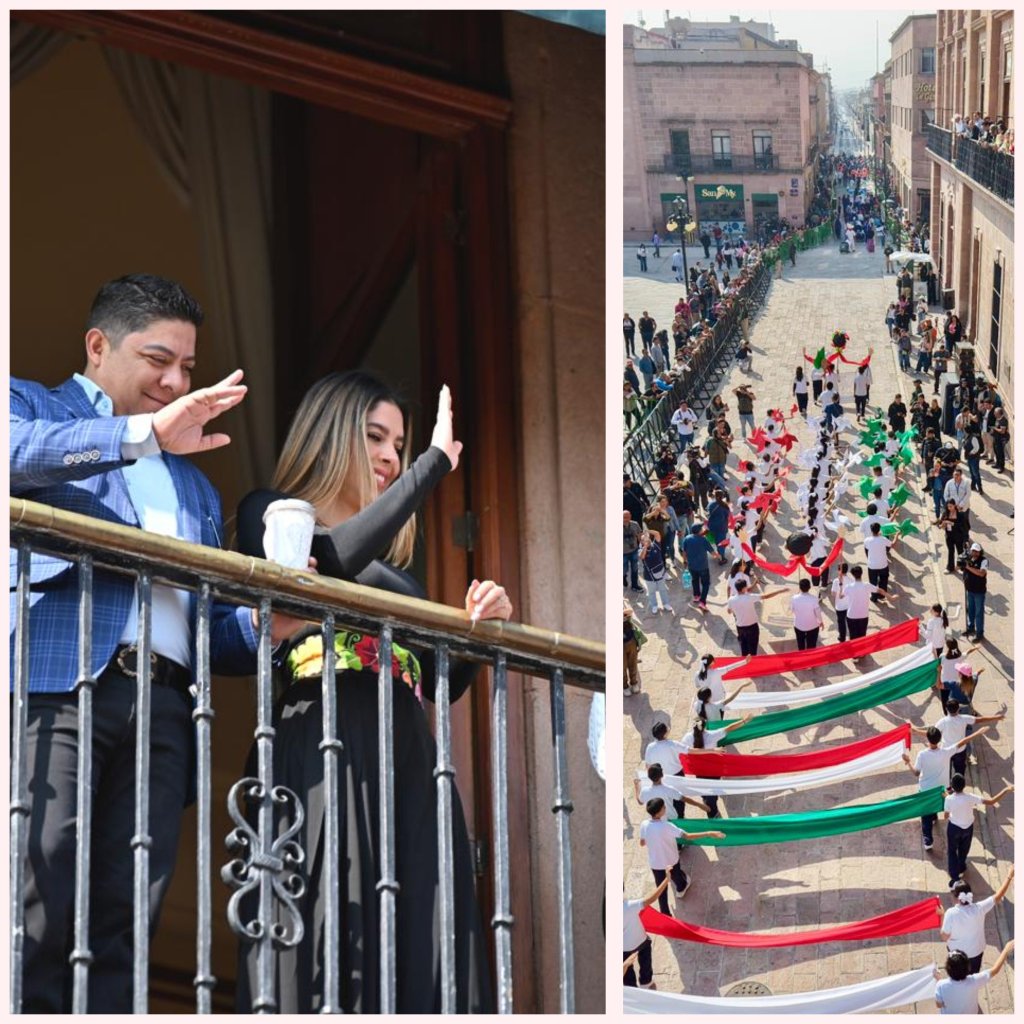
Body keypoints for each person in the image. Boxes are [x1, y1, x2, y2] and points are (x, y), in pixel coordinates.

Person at [9, 274, 298, 1012]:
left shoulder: (194, 488)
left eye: (188, 370)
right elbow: (15, 454)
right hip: (63, 684)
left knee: (130, 907)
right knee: (37, 881)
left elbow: (206, 632)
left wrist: (269, 627)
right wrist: (142, 437)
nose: (175, 383)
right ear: (98, 346)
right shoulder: (34, 406)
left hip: (168, 707)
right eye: (158, 360)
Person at [234, 372, 510, 1013]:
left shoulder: (401, 579)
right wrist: (433, 464)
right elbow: (327, 566)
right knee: (335, 928)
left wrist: (478, 632)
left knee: (425, 942)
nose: (390, 456)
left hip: (409, 757)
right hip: (323, 742)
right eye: (376, 437)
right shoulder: (271, 516)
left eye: (401, 443)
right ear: (331, 437)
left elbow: (441, 684)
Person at [901, 725, 990, 851]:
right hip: (943, 790)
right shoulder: (946, 752)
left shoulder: (922, 755)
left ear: (927, 738)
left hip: (926, 791)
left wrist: (908, 762)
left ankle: (928, 840)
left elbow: (916, 772)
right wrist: (979, 732)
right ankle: (934, 816)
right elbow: (963, 741)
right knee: (939, 807)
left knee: (925, 816)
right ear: (939, 739)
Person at [638, 798, 725, 916]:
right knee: (677, 876)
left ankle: (665, 914)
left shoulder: (644, 824)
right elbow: (687, 836)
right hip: (670, 859)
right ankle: (681, 887)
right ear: (658, 812)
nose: (665, 808)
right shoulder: (667, 826)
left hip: (656, 862)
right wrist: (709, 833)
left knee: (661, 889)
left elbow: (642, 843)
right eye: (664, 807)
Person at [941, 773, 1013, 887]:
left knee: (952, 851)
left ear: (952, 786)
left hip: (954, 828)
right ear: (964, 785)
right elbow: (992, 801)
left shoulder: (949, 799)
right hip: (968, 828)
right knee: (964, 849)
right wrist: (1006, 789)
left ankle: (955, 878)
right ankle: (961, 867)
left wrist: (946, 798)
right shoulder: (971, 797)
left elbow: (945, 816)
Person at [940, 868, 1014, 976]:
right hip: (976, 952)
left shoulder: (950, 914)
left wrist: (942, 915)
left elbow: (944, 936)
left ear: (956, 898)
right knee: (973, 975)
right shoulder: (979, 908)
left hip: (958, 956)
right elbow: (998, 896)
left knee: (958, 976)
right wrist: (1009, 876)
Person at [934, 940, 1015, 1014]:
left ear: (948, 969)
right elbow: (995, 970)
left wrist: (938, 979)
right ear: (968, 968)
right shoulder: (974, 981)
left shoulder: (940, 986)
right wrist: (1006, 950)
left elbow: (939, 1005)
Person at [622, 876, 669, 989]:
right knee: (645, 960)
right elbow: (652, 898)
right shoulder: (629, 906)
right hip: (641, 940)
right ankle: (646, 982)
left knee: (627, 971)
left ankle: (632, 988)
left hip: (623, 948)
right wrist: (666, 879)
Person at [726, 579, 786, 656]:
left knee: (744, 649)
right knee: (753, 649)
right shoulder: (750, 597)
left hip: (740, 628)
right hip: (752, 627)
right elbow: (766, 596)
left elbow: (729, 611)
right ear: (744, 588)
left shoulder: (731, 599)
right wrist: (780, 591)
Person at [639, 531, 674, 616]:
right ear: (641, 542)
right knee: (651, 592)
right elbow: (642, 557)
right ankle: (654, 606)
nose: (647, 541)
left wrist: (648, 531)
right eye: (644, 540)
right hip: (649, 576)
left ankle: (666, 604)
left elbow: (658, 534)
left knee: (663, 590)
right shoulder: (641, 550)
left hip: (660, 573)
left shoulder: (656, 545)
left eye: (648, 539)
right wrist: (645, 547)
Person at [681, 522, 713, 609]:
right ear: (699, 531)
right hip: (703, 567)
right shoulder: (703, 539)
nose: (703, 529)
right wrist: (718, 556)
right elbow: (712, 552)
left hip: (692, 566)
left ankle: (696, 596)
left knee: (695, 580)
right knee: (706, 583)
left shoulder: (686, 539)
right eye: (702, 528)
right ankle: (702, 602)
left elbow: (684, 552)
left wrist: (685, 561)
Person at [863, 522, 897, 602]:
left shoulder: (867, 540)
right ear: (879, 530)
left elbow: (866, 550)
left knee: (873, 582)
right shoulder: (883, 539)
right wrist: (896, 536)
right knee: (884, 580)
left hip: (872, 565)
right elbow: (893, 545)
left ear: (871, 531)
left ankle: (874, 597)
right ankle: (882, 595)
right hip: (883, 564)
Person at [961, 542, 988, 641]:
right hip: (970, 590)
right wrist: (961, 564)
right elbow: (960, 568)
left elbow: (981, 573)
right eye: (973, 551)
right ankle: (970, 628)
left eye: (976, 551)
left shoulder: (984, 561)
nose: (974, 553)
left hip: (979, 591)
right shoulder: (969, 559)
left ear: (980, 552)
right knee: (970, 610)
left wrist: (968, 567)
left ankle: (979, 633)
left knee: (978, 613)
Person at [791, 577, 823, 650]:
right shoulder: (814, 599)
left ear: (799, 587)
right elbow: (818, 612)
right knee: (811, 646)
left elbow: (792, 610)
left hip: (798, 625)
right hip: (813, 626)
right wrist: (821, 622)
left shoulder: (794, 598)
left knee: (800, 645)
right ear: (809, 587)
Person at [623, 601, 643, 695]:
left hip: (630, 640)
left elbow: (630, 611)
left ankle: (634, 683)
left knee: (633, 663)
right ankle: (624, 686)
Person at [623, 510, 644, 592]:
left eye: (628, 517)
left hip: (634, 550)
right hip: (623, 553)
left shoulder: (635, 524)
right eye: (624, 517)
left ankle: (634, 585)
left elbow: (639, 535)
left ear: (630, 516)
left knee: (635, 569)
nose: (626, 519)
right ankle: (623, 577)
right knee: (623, 569)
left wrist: (642, 544)